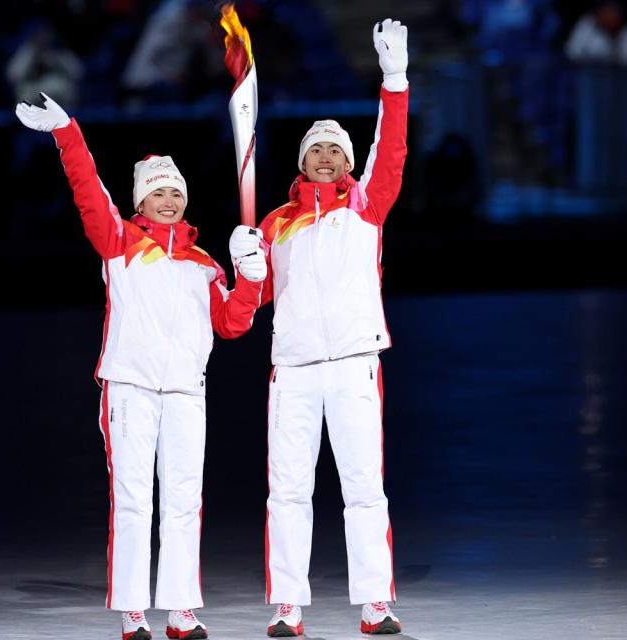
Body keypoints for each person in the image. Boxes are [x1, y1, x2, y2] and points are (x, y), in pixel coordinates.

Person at [15, 93, 267, 640]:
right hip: (129, 387)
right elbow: (89, 192)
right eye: (158, 193)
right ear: (141, 201)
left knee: (183, 501)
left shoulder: (204, 264)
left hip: (184, 391)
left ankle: (179, 609)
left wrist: (251, 277)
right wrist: (67, 133)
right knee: (132, 500)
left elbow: (232, 324)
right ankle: (133, 610)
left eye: (176, 191)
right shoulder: (120, 244)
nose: (170, 200)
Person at [245, 18, 409, 637]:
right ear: (301, 161)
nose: (326, 156)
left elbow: (389, 149)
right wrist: (248, 265)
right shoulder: (274, 224)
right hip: (293, 368)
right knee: (287, 491)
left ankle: (375, 602)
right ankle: (288, 605)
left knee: (365, 488)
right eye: (316, 149)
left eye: (336, 149)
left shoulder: (367, 207)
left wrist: (394, 81)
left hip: (353, 364)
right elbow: (249, 304)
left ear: (346, 163)